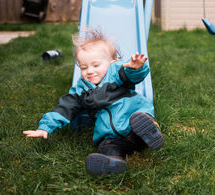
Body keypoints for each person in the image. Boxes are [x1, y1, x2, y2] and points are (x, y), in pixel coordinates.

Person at [23, 29, 163, 176]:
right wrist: (45, 127)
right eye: (83, 67)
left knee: (140, 119)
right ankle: (113, 161)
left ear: (112, 61)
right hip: (114, 137)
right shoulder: (82, 90)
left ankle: (150, 129)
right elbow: (65, 107)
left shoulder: (116, 73)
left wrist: (136, 68)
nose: (89, 71)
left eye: (96, 65)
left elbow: (130, 76)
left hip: (133, 123)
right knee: (106, 145)